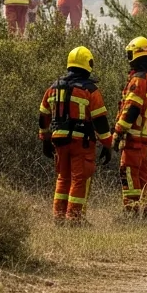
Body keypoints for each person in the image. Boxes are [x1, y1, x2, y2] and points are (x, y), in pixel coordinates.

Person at [38, 46, 113, 224]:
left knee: (63, 177)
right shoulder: (90, 90)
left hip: (59, 140)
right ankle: (74, 218)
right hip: (81, 142)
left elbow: (43, 115)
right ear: (88, 65)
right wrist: (108, 144)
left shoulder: (54, 87)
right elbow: (100, 121)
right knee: (79, 179)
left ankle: (59, 217)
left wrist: (45, 139)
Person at [114, 36, 147, 217]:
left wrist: (118, 131)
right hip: (144, 137)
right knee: (143, 175)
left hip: (133, 136)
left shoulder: (138, 80)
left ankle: (131, 212)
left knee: (128, 173)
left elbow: (132, 109)